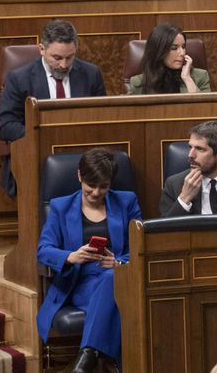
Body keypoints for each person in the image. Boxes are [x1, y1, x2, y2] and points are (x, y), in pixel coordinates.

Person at [36, 147, 140, 373]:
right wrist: (71, 256)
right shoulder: (61, 207)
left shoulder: (126, 202)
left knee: (112, 277)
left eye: (103, 186)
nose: (96, 192)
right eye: (90, 186)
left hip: (120, 279)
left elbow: (141, 247)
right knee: (119, 304)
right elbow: (43, 250)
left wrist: (119, 263)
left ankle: (87, 356)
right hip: (80, 283)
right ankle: (112, 364)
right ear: (79, 176)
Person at [0, 19, 105, 194]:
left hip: (82, 154)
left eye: (69, 57)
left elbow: (101, 119)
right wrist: (47, 136)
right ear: (41, 49)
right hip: (37, 155)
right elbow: (5, 126)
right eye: (57, 58)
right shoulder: (19, 78)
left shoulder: (91, 74)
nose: (63, 65)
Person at [127, 23, 211, 94]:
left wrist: (187, 78)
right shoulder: (138, 83)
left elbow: (205, 110)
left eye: (183, 46)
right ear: (159, 51)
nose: (182, 53)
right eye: (174, 48)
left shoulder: (200, 76)